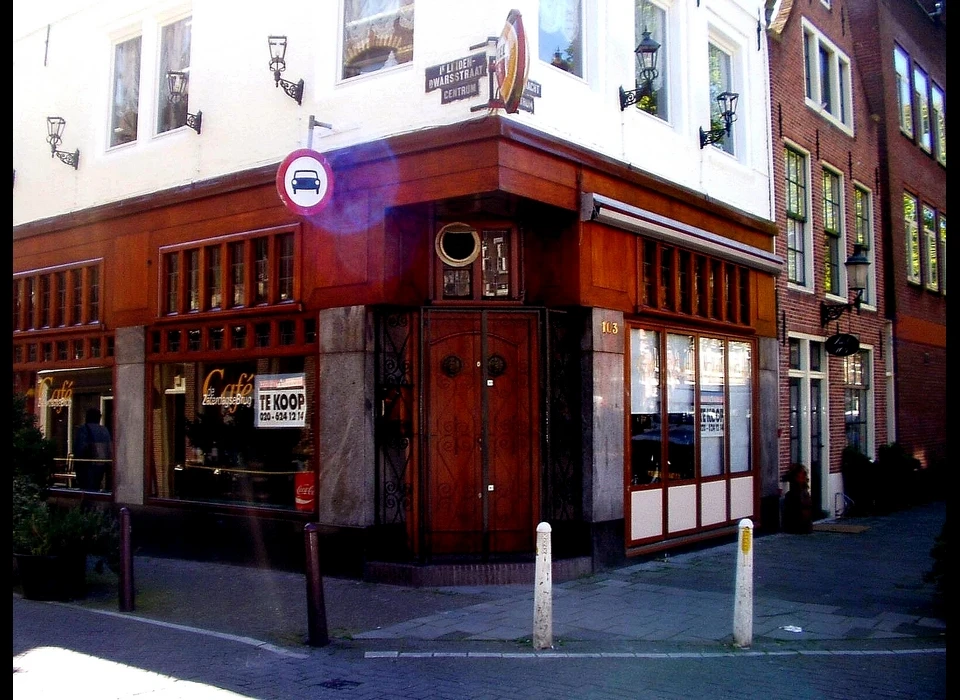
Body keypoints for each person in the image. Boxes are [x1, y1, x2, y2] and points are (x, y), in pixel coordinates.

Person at [73, 408, 112, 492]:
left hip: (87, 465)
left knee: (86, 489)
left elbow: (79, 449)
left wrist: (77, 463)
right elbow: (109, 448)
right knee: (96, 486)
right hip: (101, 464)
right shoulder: (105, 430)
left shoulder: (84, 429)